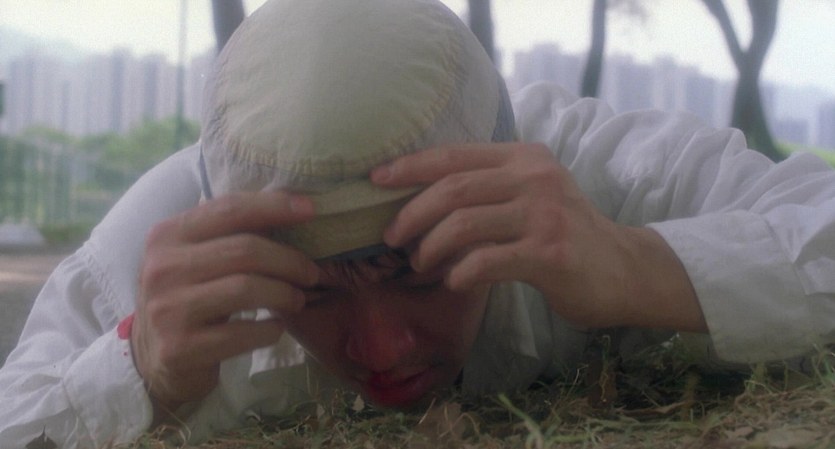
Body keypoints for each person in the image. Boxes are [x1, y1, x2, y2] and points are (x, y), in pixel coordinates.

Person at [3, 0, 835, 447]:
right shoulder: (164, 253)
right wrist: (142, 368)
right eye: (314, 291)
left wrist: (637, 264)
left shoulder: (603, 176)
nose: (382, 348)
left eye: (419, 268)